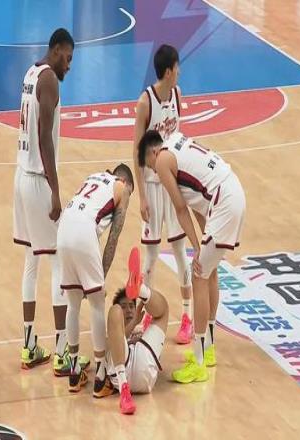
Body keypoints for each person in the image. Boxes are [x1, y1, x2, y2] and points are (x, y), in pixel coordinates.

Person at [138, 130, 245, 383]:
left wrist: (197, 247)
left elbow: (180, 209)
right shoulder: (177, 140)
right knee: (209, 271)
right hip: (230, 193)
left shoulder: (163, 161)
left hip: (224, 202)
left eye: (151, 167)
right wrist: (202, 243)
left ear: (153, 152)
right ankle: (208, 349)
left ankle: (198, 362)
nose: (155, 173)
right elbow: (199, 202)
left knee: (199, 275)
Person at [13, 28, 88, 373]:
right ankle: (62, 352)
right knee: (58, 260)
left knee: (32, 260)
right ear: (56, 49)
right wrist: (56, 189)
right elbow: (44, 136)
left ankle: (29, 345)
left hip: (20, 176)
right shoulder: (49, 80)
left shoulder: (30, 73)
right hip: (38, 180)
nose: (69, 66)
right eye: (68, 58)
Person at [133, 44, 193, 345]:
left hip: (173, 185)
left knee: (181, 250)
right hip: (153, 186)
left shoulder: (178, 95)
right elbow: (137, 151)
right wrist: (142, 196)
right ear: (168, 71)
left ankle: (187, 316)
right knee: (152, 254)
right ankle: (147, 311)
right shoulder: (146, 102)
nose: (179, 71)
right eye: (177, 67)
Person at [57, 164, 134, 396]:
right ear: (126, 182)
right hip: (83, 232)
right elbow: (113, 239)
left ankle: (74, 372)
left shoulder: (93, 177)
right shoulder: (122, 188)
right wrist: (101, 277)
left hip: (63, 230)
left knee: (72, 304)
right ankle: (101, 377)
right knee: (97, 304)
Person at [105, 247, 169, 415]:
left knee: (163, 311)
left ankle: (140, 290)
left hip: (144, 364)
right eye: (124, 306)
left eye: (131, 306)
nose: (128, 310)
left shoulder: (143, 327)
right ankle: (124, 391)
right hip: (122, 370)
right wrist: (133, 323)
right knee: (113, 312)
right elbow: (110, 344)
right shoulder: (113, 327)